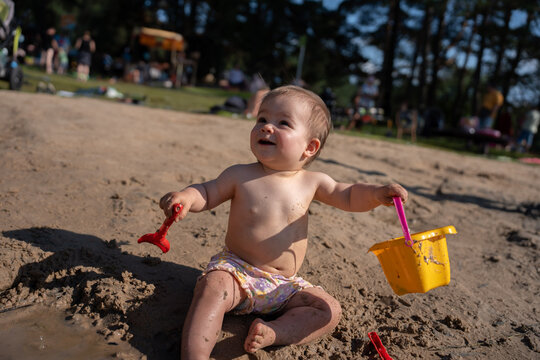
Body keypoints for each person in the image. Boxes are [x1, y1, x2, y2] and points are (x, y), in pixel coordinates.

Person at [158, 85, 408, 358]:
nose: (267, 127)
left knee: (328, 310)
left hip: (284, 286)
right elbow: (207, 192)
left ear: (309, 147)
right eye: (262, 119)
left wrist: (376, 194)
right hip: (237, 273)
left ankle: (276, 332)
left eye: (283, 123)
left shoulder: (313, 182)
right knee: (212, 287)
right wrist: (187, 198)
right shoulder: (239, 174)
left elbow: (347, 195)